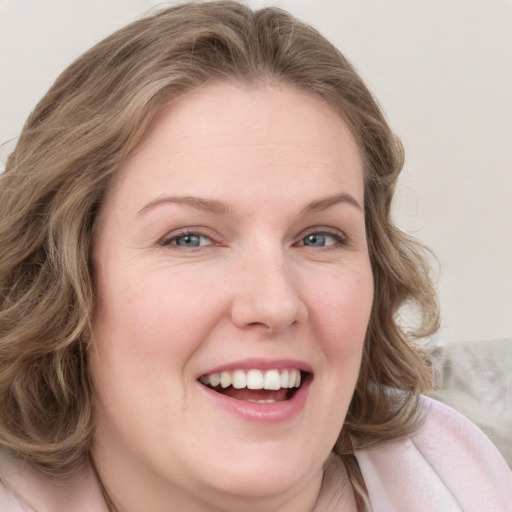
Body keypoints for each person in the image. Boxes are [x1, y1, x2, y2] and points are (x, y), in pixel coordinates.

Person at [0, 2, 510, 511]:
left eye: (319, 238)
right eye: (189, 239)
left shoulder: (459, 471)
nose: (275, 303)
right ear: (61, 279)